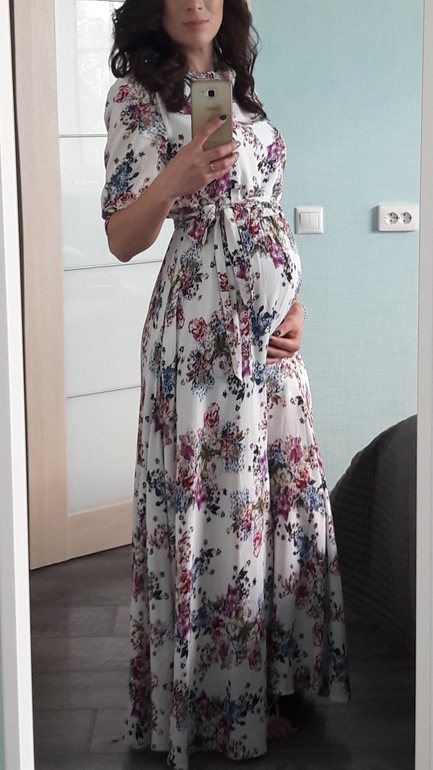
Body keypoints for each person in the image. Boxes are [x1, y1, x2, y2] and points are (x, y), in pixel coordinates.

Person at [102, 0, 350, 767]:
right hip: (200, 331)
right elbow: (121, 237)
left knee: (276, 499)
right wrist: (176, 176)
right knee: (217, 506)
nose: (194, 2)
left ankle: (272, 681)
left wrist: (295, 304)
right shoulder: (136, 96)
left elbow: (266, 215)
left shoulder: (240, 85)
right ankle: (215, 700)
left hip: (270, 341)